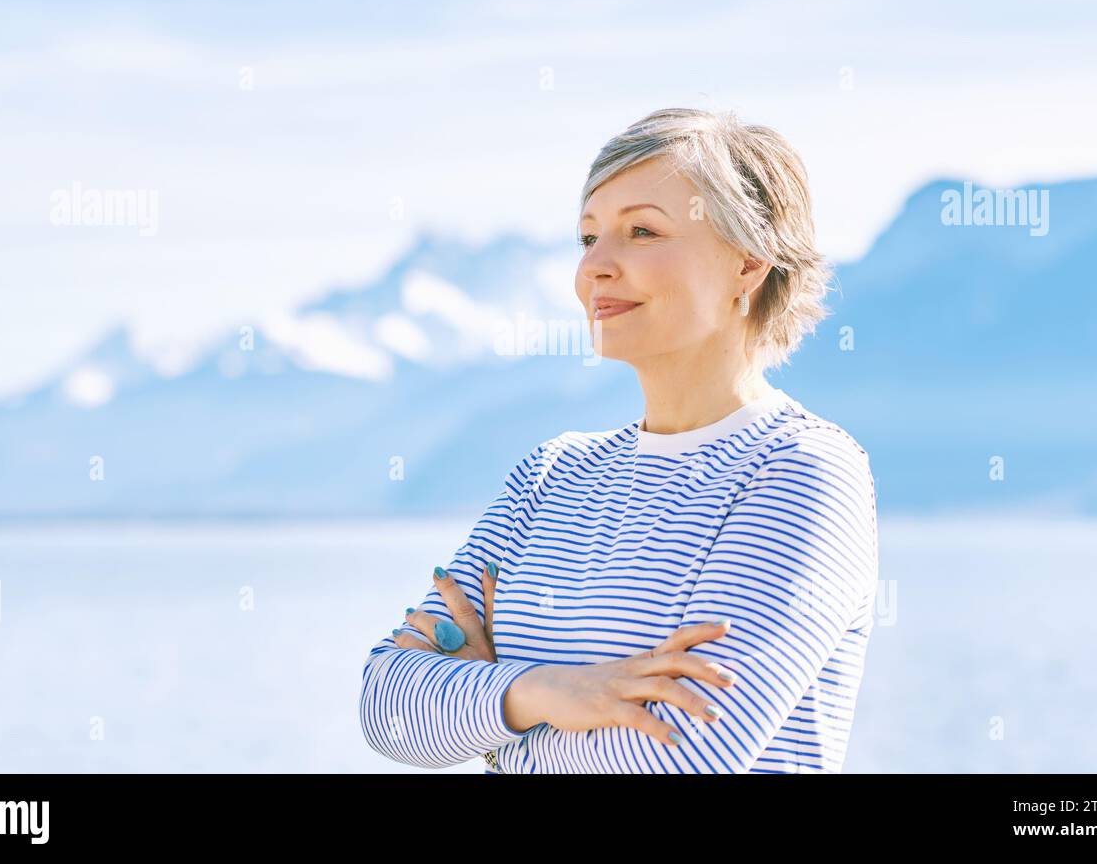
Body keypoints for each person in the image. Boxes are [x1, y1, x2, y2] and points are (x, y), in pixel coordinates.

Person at [359, 107, 879, 773]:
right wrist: (543, 692)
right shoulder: (551, 475)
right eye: (586, 238)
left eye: (641, 232)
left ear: (749, 264)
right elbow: (388, 707)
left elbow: (674, 758)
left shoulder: (802, 472)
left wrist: (488, 725)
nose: (595, 268)